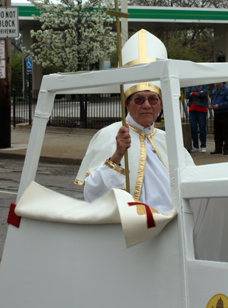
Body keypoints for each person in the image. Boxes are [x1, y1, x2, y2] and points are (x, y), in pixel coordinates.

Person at [75, 29, 193, 213]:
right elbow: (93, 195)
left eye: (152, 99)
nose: (147, 105)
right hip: (135, 227)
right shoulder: (109, 135)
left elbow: (192, 183)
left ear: (160, 105)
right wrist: (118, 155)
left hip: (174, 222)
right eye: (139, 100)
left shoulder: (168, 140)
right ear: (127, 104)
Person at [209, 82, 228, 155]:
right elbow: (212, 100)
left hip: (224, 113)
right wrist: (211, 105)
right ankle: (218, 148)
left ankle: (227, 148)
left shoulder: (227, 90)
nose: (216, 82)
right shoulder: (214, 90)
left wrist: (219, 106)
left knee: (225, 132)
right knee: (217, 132)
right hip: (216, 113)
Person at [185, 85, 209, 153]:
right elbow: (186, 95)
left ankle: (203, 146)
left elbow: (205, 94)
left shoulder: (204, 84)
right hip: (192, 109)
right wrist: (199, 93)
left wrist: (193, 93)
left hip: (202, 109)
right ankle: (195, 146)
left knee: (202, 128)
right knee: (193, 129)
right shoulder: (190, 84)